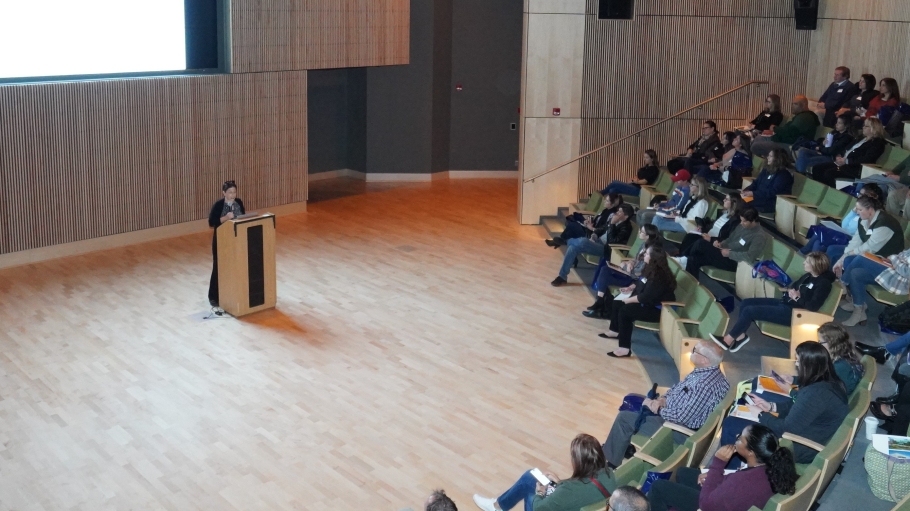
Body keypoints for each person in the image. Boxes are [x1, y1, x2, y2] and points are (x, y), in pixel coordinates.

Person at [600, 340, 729, 468]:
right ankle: (622, 447)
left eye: (695, 351)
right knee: (633, 400)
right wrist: (662, 400)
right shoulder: (710, 374)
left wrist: (659, 409)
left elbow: (682, 418)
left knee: (624, 418)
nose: (691, 352)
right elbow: (678, 388)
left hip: (675, 430)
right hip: (673, 414)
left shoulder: (703, 386)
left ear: (704, 360)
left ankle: (610, 462)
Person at [721, 342, 848, 465]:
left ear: (808, 366)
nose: (796, 364)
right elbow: (800, 405)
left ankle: (734, 468)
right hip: (807, 432)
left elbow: (786, 429)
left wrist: (761, 415)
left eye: (798, 361)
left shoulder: (815, 394)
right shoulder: (829, 383)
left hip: (799, 446)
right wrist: (771, 406)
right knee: (739, 419)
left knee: (732, 425)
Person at [646, 423, 797, 511]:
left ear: (751, 452)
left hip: (710, 505)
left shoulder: (743, 482)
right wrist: (715, 476)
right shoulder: (768, 466)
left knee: (659, 487)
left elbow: (706, 505)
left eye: (740, 439)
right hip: (730, 498)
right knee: (683, 473)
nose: (737, 437)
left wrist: (717, 465)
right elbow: (734, 484)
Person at [710, 252, 835, 352]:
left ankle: (728, 340)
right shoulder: (808, 275)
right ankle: (741, 336)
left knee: (750, 311)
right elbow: (795, 286)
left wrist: (797, 297)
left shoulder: (823, 284)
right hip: (787, 303)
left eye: (807, 262)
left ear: (816, 266)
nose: (804, 263)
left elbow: (813, 306)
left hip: (796, 314)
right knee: (746, 303)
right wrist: (791, 291)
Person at [471, 433, 617, 511]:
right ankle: (498, 506)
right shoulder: (609, 474)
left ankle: (497, 507)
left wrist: (540, 493)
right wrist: (559, 482)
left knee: (531, 492)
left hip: (556, 504)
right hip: (576, 503)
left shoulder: (569, 490)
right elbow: (580, 488)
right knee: (531, 475)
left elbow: (539, 507)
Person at [833, 196, 905, 325]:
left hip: (890, 269)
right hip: (875, 261)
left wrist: (846, 257)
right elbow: (856, 241)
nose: (857, 211)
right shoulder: (864, 220)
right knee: (855, 271)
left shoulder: (885, 223)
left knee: (860, 257)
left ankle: (842, 282)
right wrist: (842, 259)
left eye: (860, 209)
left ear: (870, 209)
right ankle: (859, 310)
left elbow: (869, 248)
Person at [599, 245, 677, 358]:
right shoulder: (650, 268)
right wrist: (630, 288)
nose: (644, 255)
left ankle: (624, 348)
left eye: (647, 254)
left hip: (659, 309)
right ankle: (615, 331)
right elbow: (640, 281)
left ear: (653, 258)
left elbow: (645, 297)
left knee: (625, 311)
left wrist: (627, 300)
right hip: (648, 302)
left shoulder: (659, 277)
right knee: (617, 302)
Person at [584, 224, 664, 319]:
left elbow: (640, 272)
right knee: (605, 269)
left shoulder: (652, 251)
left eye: (641, 232)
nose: (639, 233)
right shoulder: (644, 244)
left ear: (648, 236)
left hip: (634, 279)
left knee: (605, 275)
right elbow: (635, 259)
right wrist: (630, 262)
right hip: (630, 273)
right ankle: (600, 302)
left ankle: (600, 304)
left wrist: (624, 267)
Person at [551, 204, 634, 286]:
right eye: (618, 210)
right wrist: (593, 237)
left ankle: (566, 241)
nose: (617, 213)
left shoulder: (626, 228)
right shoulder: (614, 220)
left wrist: (612, 224)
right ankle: (562, 277)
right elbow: (600, 230)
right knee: (573, 248)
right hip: (597, 242)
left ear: (626, 216)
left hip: (607, 249)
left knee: (583, 241)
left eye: (620, 212)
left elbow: (612, 242)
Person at [799, 183, 883, 256]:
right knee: (819, 240)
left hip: (850, 240)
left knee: (820, 239)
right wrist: (854, 210)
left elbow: (860, 236)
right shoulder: (858, 210)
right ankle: (812, 264)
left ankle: (804, 255)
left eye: (860, 194)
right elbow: (844, 224)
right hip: (843, 235)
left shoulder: (869, 214)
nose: (858, 196)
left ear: (868, 197)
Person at [684, 207, 769, 278]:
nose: (741, 223)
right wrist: (721, 244)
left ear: (753, 221)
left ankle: (682, 258)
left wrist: (730, 254)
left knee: (701, 243)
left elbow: (749, 257)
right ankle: (688, 282)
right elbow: (730, 239)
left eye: (744, 221)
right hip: (725, 253)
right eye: (741, 220)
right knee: (694, 259)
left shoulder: (759, 236)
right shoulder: (741, 226)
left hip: (736, 262)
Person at [839, 246, 910, 326]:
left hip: (900, 281)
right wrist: (891, 259)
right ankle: (859, 312)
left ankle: (842, 285)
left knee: (861, 258)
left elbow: (906, 272)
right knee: (856, 273)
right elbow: (902, 255)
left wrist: (893, 259)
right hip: (893, 271)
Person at [812, 117, 887, 187]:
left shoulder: (877, 143)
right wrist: (839, 155)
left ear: (874, 129)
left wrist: (847, 161)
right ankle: (819, 191)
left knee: (828, 173)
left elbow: (867, 159)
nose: (863, 127)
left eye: (866, 126)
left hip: (854, 168)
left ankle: (830, 194)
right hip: (843, 163)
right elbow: (847, 148)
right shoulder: (861, 138)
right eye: (864, 125)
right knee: (816, 168)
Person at [676, 192, 744, 262]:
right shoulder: (723, 213)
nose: (723, 200)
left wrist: (711, 239)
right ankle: (681, 256)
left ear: (734, 203)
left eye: (726, 199)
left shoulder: (736, 221)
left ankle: (685, 259)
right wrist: (700, 226)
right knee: (691, 235)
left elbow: (728, 239)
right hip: (708, 236)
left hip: (715, 242)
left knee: (700, 243)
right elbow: (711, 224)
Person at [208, 180, 245, 307]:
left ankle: (232, 293)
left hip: (237, 239)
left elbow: (243, 217)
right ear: (224, 193)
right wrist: (226, 218)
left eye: (234, 192)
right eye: (230, 192)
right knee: (219, 267)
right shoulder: (218, 205)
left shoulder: (238, 203)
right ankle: (213, 296)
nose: (232, 195)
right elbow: (211, 222)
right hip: (221, 240)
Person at [751, 96, 820, 157]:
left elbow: (791, 133)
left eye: (795, 104)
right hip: (784, 141)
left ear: (804, 105)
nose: (792, 106)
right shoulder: (800, 116)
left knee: (755, 146)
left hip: (792, 146)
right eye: (792, 103)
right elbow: (787, 131)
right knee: (759, 138)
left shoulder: (805, 117)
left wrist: (775, 129)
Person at [546, 194, 623, 248]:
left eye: (607, 201)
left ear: (612, 204)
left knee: (572, 225)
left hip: (593, 235)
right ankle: (562, 241)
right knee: (569, 221)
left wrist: (591, 228)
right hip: (590, 228)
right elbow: (598, 221)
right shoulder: (605, 210)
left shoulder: (612, 215)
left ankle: (563, 241)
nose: (604, 202)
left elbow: (603, 230)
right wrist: (589, 221)